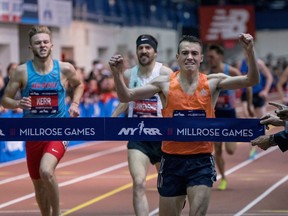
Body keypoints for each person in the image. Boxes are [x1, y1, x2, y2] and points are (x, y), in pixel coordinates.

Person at [109, 33, 259, 216]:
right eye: (185, 53)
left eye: (194, 53)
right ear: (177, 57)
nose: (190, 57)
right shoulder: (164, 84)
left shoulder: (213, 82)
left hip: (201, 161)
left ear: (201, 58)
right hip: (172, 161)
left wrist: (250, 51)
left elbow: (251, 80)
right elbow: (127, 96)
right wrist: (116, 74)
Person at [1, 25, 84, 216]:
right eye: (38, 43)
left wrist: (75, 103)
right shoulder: (21, 72)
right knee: (38, 184)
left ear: (52, 45)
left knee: (46, 171)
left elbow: (79, 85)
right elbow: (5, 99)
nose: (42, 45)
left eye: (45, 42)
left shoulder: (64, 69)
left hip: (59, 128)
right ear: (31, 47)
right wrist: (18, 103)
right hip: (33, 132)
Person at [111, 34, 173, 216]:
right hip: (138, 136)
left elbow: (174, 100)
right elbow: (126, 99)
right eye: (140, 48)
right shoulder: (130, 74)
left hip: (162, 136)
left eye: (148, 48)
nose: (144, 51)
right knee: (138, 183)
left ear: (155, 52)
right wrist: (113, 117)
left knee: (167, 186)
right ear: (137, 51)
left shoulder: (166, 73)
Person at [205, 44, 243, 190]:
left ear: (220, 56)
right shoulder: (207, 73)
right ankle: (223, 178)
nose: (210, 59)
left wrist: (248, 102)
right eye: (208, 57)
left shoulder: (230, 70)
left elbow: (246, 82)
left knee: (231, 150)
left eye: (212, 57)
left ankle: (224, 176)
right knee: (217, 150)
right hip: (216, 116)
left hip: (230, 114)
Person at [238, 51, 273, 159]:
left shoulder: (259, 63)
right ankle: (252, 149)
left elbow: (269, 77)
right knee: (249, 119)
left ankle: (265, 141)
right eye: (244, 50)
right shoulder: (241, 64)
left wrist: (266, 91)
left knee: (262, 122)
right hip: (246, 95)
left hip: (258, 95)